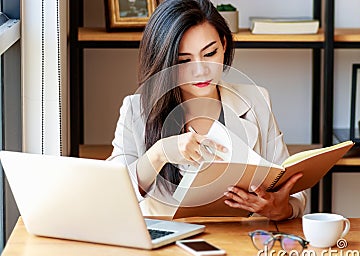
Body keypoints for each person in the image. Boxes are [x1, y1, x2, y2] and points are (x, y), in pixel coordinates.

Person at [108, 0, 307, 221]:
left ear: (223, 44)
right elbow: (113, 194)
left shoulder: (256, 100)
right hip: (166, 247)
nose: (201, 71)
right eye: (184, 61)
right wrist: (159, 153)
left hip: (243, 242)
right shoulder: (136, 111)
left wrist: (281, 209)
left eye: (210, 53)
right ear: (164, 62)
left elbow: (292, 190)